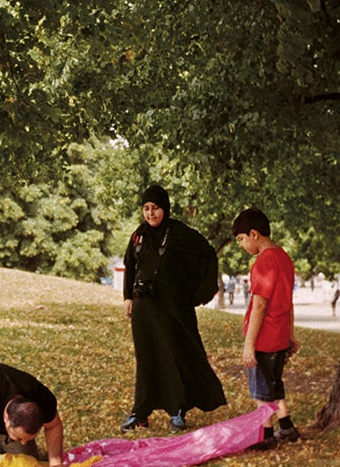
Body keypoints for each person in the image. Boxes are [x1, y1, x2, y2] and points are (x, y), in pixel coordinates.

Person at [119, 185, 227, 431]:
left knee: (172, 355)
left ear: (165, 209)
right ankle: (141, 412)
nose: (150, 213)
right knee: (146, 358)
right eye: (146, 209)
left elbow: (208, 254)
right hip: (144, 307)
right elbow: (130, 266)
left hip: (172, 308)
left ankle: (177, 409)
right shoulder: (139, 235)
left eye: (155, 208)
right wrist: (128, 297)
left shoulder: (179, 233)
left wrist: (202, 292)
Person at [232, 208, 299, 450]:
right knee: (274, 382)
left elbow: (259, 305)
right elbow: (288, 301)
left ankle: (266, 435)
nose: (241, 245)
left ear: (254, 234)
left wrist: (249, 344)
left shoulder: (263, 263)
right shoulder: (285, 258)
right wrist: (290, 333)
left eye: (241, 239)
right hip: (280, 336)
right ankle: (287, 426)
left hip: (264, 338)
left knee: (261, 389)